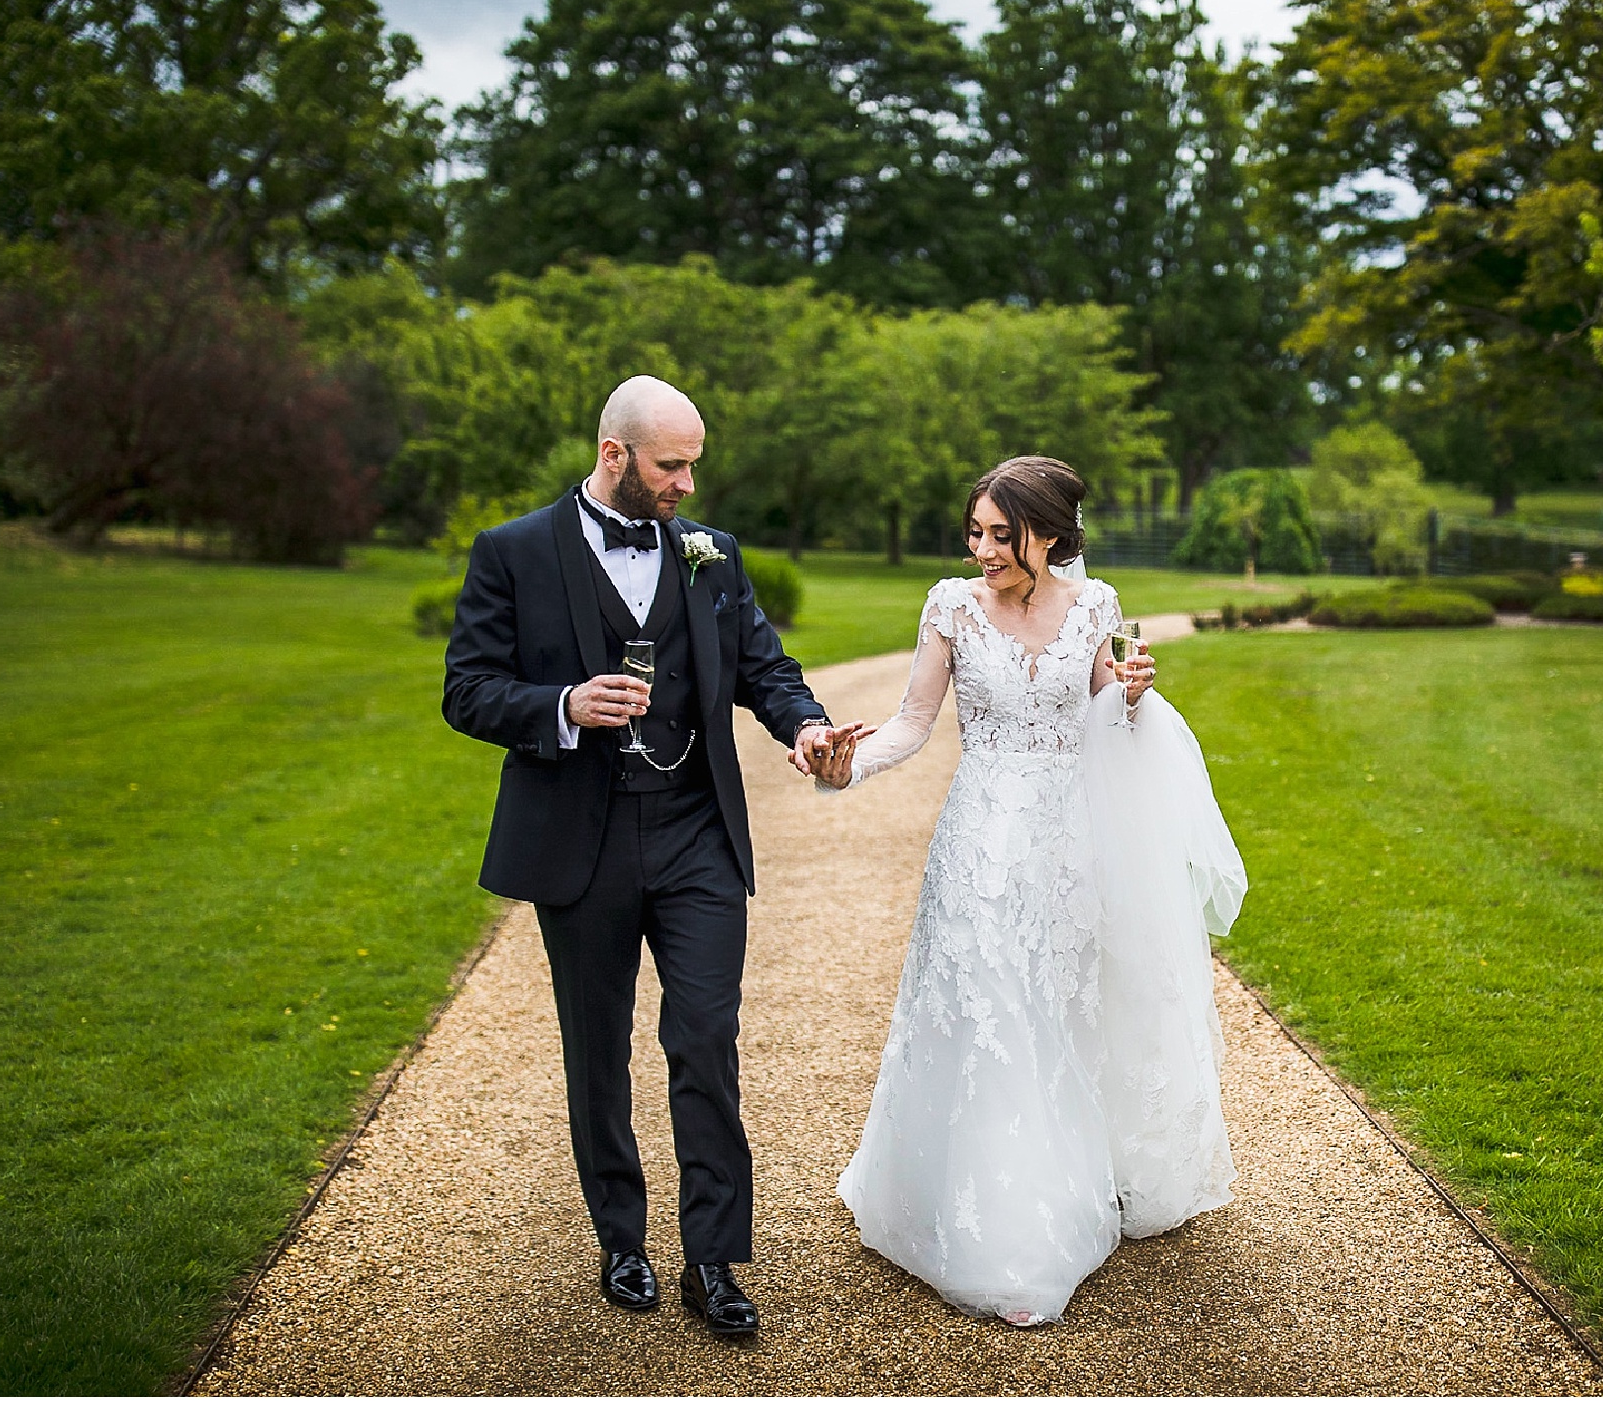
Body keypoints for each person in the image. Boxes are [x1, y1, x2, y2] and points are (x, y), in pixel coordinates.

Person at [441, 375, 866, 1339]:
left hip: (694, 833)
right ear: (614, 455)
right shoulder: (511, 552)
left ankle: (713, 1257)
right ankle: (621, 1238)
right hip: (579, 840)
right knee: (597, 1046)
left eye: (693, 465)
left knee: (705, 1037)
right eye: (671, 465)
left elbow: (766, 667)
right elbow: (466, 690)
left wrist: (803, 729)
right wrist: (558, 706)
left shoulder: (713, 557)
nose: (685, 484)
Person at [816, 455, 1247, 1326]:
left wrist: (1128, 695)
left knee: (1066, 1001)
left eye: (1001, 535)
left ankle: (1085, 1171)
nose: (983, 550)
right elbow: (910, 722)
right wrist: (844, 765)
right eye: (975, 531)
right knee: (987, 1007)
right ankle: (999, 1220)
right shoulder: (950, 605)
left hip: (1071, 834)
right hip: (979, 836)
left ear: (1047, 535)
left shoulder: (1095, 605)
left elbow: (1100, 713)